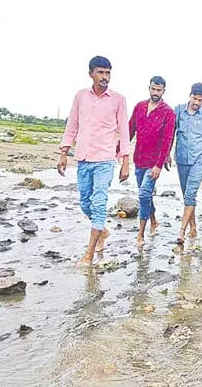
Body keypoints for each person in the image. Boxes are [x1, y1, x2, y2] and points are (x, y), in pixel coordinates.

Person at [57, 56, 130, 266]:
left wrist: (125, 160)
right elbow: (72, 124)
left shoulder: (118, 99)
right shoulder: (81, 97)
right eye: (101, 72)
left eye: (108, 73)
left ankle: (88, 254)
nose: (105, 77)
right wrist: (64, 152)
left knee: (98, 204)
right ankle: (103, 232)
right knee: (84, 203)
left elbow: (124, 132)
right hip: (83, 158)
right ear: (91, 73)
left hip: (105, 160)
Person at [129, 76, 176, 247]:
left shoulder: (168, 112)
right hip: (138, 158)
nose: (156, 93)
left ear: (164, 90)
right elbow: (130, 128)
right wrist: (121, 150)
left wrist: (159, 164)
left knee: (142, 195)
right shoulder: (139, 107)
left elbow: (168, 139)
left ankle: (140, 235)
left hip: (153, 163)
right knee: (146, 195)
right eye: (153, 89)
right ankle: (154, 220)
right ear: (149, 88)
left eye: (159, 90)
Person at [172, 83, 202, 244]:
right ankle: (193, 227)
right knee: (187, 196)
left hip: (199, 160)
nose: (197, 102)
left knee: (190, 194)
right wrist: (165, 155)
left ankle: (181, 232)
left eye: (200, 100)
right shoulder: (178, 111)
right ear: (189, 95)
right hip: (181, 159)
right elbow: (170, 134)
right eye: (195, 98)